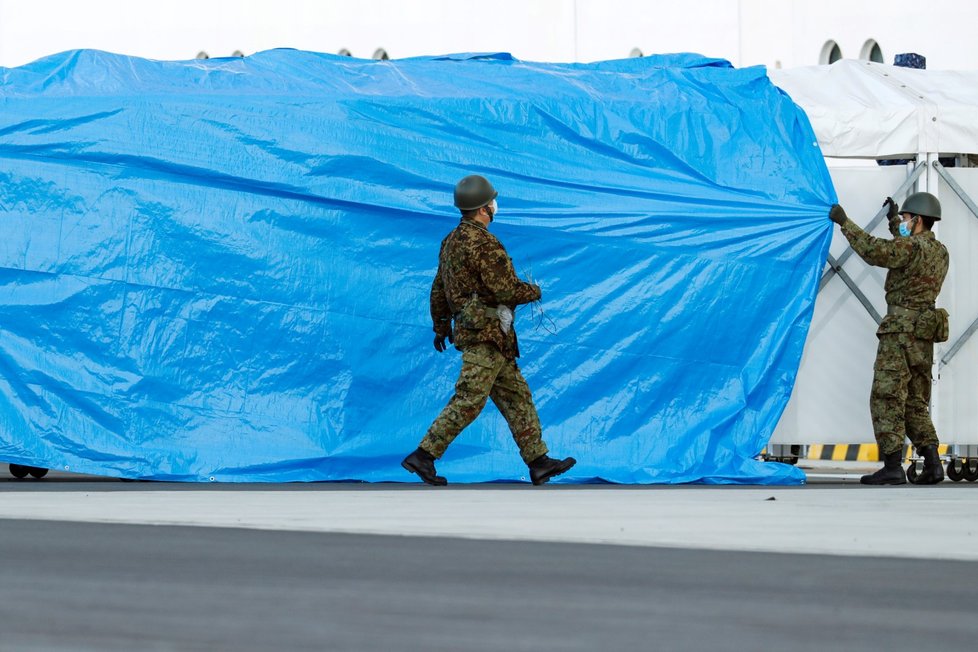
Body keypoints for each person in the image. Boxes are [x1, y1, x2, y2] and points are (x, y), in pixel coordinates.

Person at [401, 175, 576, 486]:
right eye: (492, 201)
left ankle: (538, 462)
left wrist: (441, 325)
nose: (495, 206)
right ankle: (424, 456)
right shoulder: (484, 242)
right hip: (488, 332)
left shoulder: (451, 241)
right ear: (484, 208)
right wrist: (532, 291)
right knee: (470, 397)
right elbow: (504, 289)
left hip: (482, 332)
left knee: (516, 396)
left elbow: (439, 287)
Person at [828, 193, 949, 485]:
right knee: (915, 402)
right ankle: (932, 463)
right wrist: (894, 221)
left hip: (900, 333)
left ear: (918, 220)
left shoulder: (909, 247)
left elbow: (875, 251)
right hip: (923, 335)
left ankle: (893, 466)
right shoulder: (940, 251)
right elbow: (905, 250)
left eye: (908, 219)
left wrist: (845, 223)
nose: (905, 223)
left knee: (887, 397)